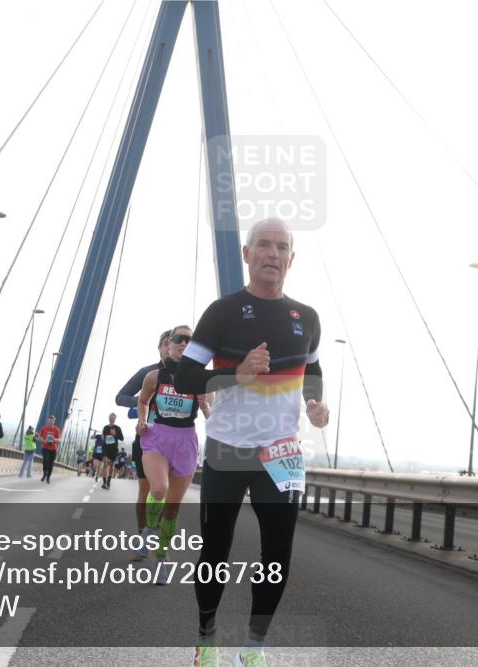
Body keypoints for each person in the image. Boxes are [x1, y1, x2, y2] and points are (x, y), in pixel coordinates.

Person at [174, 218, 329, 667]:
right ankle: (206, 638)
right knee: (215, 549)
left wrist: (315, 405)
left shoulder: (307, 318)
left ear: (291, 258)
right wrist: (236, 375)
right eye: (263, 244)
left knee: (277, 554)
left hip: (282, 451)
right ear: (247, 254)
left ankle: (254, 648)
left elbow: (313, 372)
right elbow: (185, 379)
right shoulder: (221, 312)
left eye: (281, 247)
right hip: (227, 446)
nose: (272, 254)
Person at [138, 325, 211, 585]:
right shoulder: (153, 377)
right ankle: (149, 529)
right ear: (168, 344)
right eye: (178, 339)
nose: (183, 343)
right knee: (159, 489)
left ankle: (160, 559)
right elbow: (143, 401)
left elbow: (211, 417)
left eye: (189, 340)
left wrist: (205, 406)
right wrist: (142, 420)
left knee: (171, 509)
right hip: (157, 438)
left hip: (186, 442)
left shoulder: (201, 380)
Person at [115, 329, 172, 558]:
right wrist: (145, 401)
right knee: (146, 491)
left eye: (177, 342)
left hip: (176, 440)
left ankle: (157, 539)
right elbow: (120, 397)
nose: (171, 346)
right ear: (159, 348)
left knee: (165, 493)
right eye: (166, 342)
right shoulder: (148, 373)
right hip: (147, 438)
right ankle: (143, 539)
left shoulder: (189, 374)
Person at [100, 414, 124, 489]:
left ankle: (108, 482)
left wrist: (115, 434)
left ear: (115, 419)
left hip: (113, 449)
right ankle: (104, 482)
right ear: (108, 418)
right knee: (105, 464)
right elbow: (103, 436)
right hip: (105, 448)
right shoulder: (105, 427)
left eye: (113, 418)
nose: (111, 419)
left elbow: (122, 438)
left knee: (111, 466)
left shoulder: (117, 428)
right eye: (110, 418)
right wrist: (103, 437)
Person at [38, 415, 61, 483]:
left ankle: (48, 477)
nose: (50, 422)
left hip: (53, 449)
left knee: (50, 464)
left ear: (54, 421)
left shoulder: (56, 429)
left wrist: (54, 439)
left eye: (52, 421)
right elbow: (39, 437)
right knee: (45, 461)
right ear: (48, 421)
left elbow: (59, 440)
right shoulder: (44, 428)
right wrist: (43, 440)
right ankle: (44, 473)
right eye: (49, 421)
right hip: (45, 448)